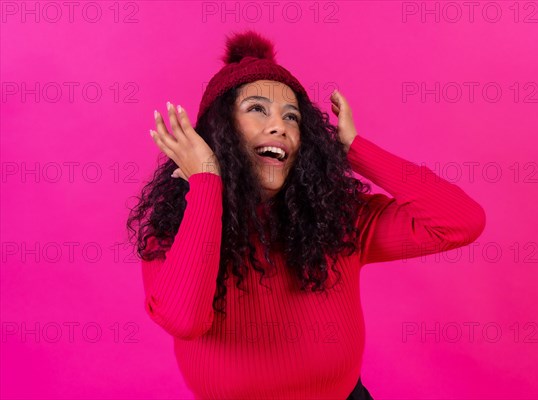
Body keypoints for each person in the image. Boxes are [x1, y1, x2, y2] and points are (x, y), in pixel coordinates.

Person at [126, 29, 486, 400]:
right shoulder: (170, 232)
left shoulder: (338, 220)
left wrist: (354, 149)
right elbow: (184, 320)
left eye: (292, 117)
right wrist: (206, 184)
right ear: (218, 133)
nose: (279, 125)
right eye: (257, 109)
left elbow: (460, 222)